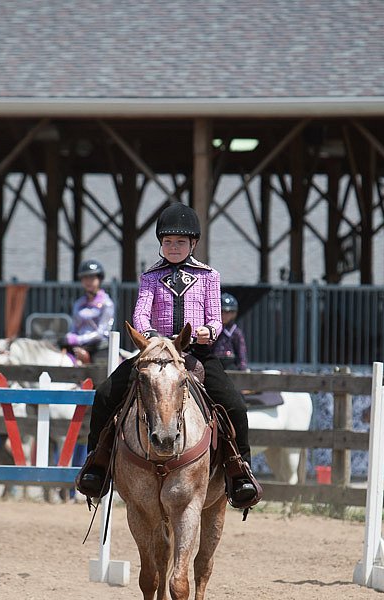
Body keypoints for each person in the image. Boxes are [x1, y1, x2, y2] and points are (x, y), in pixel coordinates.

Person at [77, 202, 261, 509]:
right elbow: (140, 316)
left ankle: (239, 471)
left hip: (196, 353)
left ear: (193, 244)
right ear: (160, 244)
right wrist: (151, 339)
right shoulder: (150, 276)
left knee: (235, 404)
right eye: (167, 242)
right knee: (106, 393)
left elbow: (215, 318)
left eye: (179, 242)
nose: (173, 247)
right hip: (155, 351)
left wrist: (207, 332)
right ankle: (97, 465)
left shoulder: (208, 276)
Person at [61, 260, 114, 359]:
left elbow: (101, 332)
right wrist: (69, 336)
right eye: (85, 278)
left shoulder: (107, 303)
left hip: (99, 346)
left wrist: (78, 339)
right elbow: (74, 327)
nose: (88, 281)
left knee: (102, 366)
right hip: (78, 346)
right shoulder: (78, 303)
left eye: (92, 278)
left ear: (99, 279)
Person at [213, 292, 248, 371]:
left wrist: (243, 369)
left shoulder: (236, 332)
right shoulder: (214, 330)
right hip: (215, 364)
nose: (224, 315)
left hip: (231, 365)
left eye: (228, 312)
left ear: (233, 313)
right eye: (221, 311)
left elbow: (241, 352)